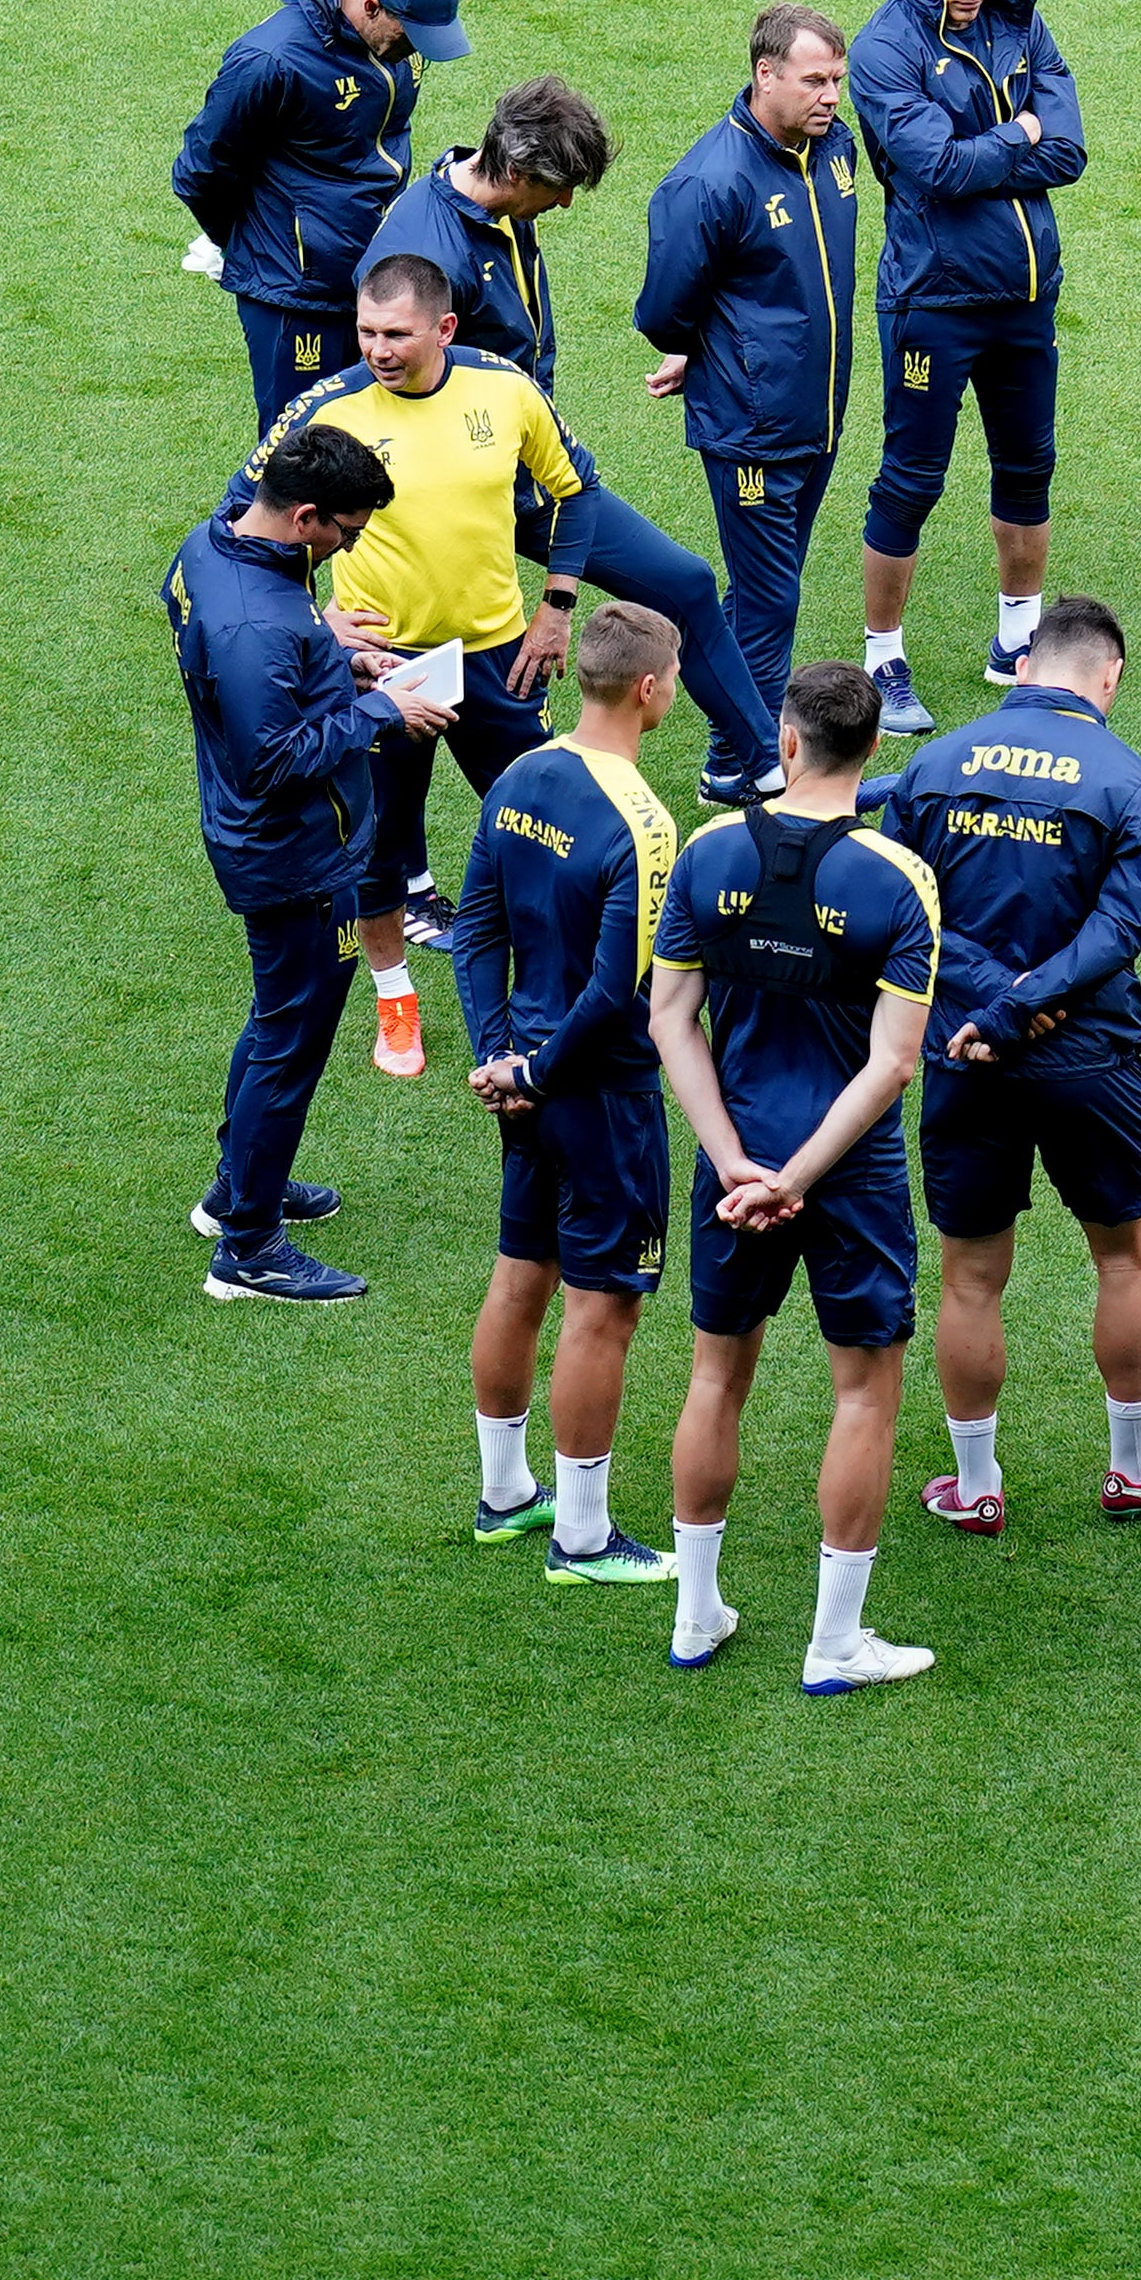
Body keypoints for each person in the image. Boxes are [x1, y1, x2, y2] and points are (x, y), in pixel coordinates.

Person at [875, 596, 1141, 1534]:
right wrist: (1028, 1001)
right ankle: (1134, 1468)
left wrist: (989, 1001)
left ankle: (975, 1487)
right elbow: (1118, 932)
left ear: (1024, 666)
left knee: (970, 1276)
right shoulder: (1129, 779)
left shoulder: (936, 764)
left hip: (964, 1052)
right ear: (1110, 679)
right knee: (1125, 1257)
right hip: (1087, 1059)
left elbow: (904, 904)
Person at [650, 664, 948, 1690]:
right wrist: (801, 1176)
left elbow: (669, 1022)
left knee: (712, 1378)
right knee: (862, 1396)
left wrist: (736, 1162)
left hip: (731, 1156)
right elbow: (893, 1063)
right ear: (870, 756)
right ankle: (833, 1644)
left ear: (785, 744)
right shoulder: (898, 879)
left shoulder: (708, 853)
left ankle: (696, 1617)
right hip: (848, 1171)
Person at [367, 75, 781, 800]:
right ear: (519, 172)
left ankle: (768, 767)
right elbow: (394, 391)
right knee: (427, 689)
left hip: (526, 472)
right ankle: (405, 885)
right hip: (459, 496)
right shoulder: (430, 256)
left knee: (683, 583)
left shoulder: (497, 208)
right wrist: (553, 601)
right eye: (560, 190)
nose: (563, 205)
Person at [263, 252, 589, 1074]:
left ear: (443, 328)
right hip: (381, 670)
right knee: (374, 845)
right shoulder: (324, 408)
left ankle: (555, 989)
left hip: (498, 658)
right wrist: (316, 615)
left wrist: (555, 609)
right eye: (366, 330)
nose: (376, 348)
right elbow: (251, 518)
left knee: (549, 825)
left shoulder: (506, 389)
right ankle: (395, 1004)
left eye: (395, 334)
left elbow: (575, 492)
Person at [443, 604, 689, 1582]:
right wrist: (539, 1072)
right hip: (601, 1097)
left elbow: (474, 929)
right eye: (672, 675)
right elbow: (614, 989)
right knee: (600, 1310)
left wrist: (499, 1059)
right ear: (647, 688)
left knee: (518, 1278)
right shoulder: (644, 822)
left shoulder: (516, 776)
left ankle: (505, 1496)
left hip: (528, 1090)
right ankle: (582, 1537)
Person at [167, 420, 429, 1303]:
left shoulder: (216, 548)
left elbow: (247, 681)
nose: (351, 545)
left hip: (272, 840)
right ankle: (248, 1248)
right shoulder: (257, 624)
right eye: (346, 531)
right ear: (306, 514)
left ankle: (238, 1187)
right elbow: (269, 758)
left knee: (277, 1015)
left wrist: (332, 656)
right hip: (292, 856)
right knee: (293, 1036)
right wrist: (381, 708)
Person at [847, 0, 1087, 720]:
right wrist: (1017, 131)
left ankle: (1017, 642)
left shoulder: (1021, 20)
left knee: (1029, 469)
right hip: (932, 302)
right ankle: (883, 659)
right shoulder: (882, 51)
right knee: (911, 479)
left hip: (1025, 296)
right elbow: (935, 170)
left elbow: (1069, 152)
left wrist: (1002, 147)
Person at [628, 6, 862, 802]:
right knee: (768, 598)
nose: (831, 96)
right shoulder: (712, 181)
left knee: (767, 586)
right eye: (813, 80)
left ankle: (732, 755)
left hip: (816, 416)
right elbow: (661, 310)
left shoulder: (834, 150)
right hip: (752, 431)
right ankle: (750, 763)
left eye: (837, 78)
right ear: (765, 75)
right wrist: (713, 352)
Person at [171, 0, 463, 429]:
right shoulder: (271, 60)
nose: (417, 50)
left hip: (371, 274)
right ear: (371, 6)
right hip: (296, 291)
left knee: (381, 434)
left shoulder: (389, 43)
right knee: (305, 447)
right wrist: (244, 244)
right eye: (411, 35)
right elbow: (200, 170)